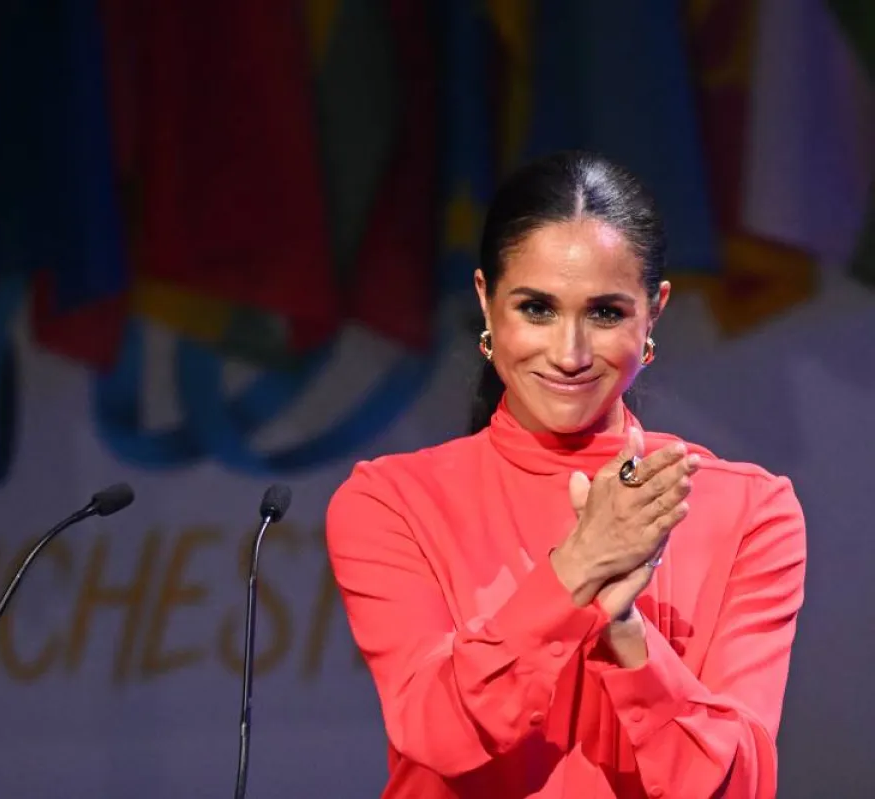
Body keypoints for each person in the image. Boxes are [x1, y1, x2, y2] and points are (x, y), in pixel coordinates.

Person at [325, 150, 806, 798]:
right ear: (486, 302)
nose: (571, 352)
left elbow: (738, 786)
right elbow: (437, 733)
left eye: (605, 312)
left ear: (653, 312)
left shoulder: (750, 510)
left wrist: (627, 635)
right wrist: (578, 567)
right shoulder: (390, 502)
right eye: (537, 308)